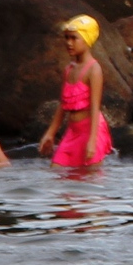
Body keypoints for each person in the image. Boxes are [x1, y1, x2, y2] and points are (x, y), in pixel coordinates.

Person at [37, 15, 112, 169]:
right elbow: (63, 104)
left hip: (91, 130)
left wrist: (92, 140)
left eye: (74, 38)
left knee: (91, 173)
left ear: (87, 39)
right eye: (67, 38)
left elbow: (95, 107)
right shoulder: (69, 69)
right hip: (73, 130)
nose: (69, 43)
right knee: (56, 169)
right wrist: (50, 133)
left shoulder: (94, 70)